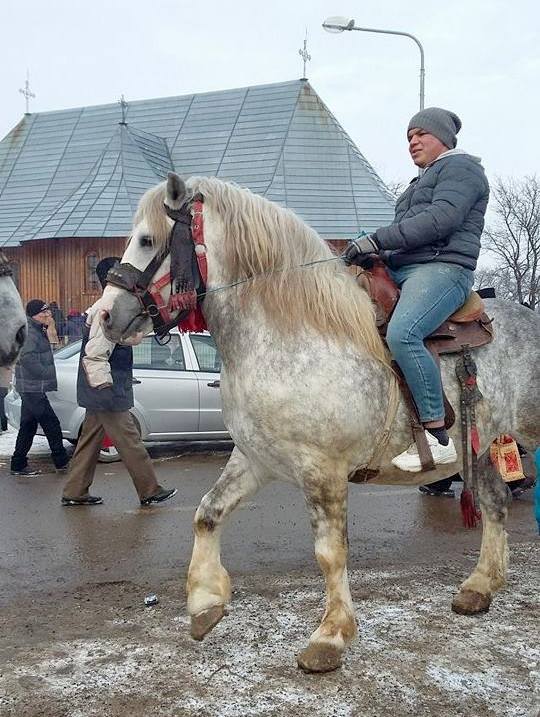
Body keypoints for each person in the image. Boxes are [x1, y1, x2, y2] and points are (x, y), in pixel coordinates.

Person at [342, 107, 490, 472]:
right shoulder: (417, 183)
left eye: (421, 134)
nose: (413, 142)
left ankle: (437, 436)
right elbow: (405, 235)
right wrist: (374, 253)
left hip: (443, 268)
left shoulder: (462, 169)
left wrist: (377, 239)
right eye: (409, 137)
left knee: (404, 333)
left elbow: (441, 220)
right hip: (405, 268)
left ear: (443, 137)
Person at [62, 257, 177, 507]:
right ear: (113, 277)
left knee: (89, 443)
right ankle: (150, 489)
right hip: (107, 391)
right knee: (130, 441)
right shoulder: (107, 307)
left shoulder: (113, 306)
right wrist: (106, 388)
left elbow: (117, 343)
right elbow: (95, 351)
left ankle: (74, 491)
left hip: (101, 390)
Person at [10, 300, 70, 476]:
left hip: (31, 386)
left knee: (28, 426)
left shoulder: (37, 329)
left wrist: (50, 327)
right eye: (43, 312)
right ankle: (61, 462)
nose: (47, 315)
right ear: (33, 315)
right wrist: (44, 373)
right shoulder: (30, 332)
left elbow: (53, 345)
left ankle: (18, 464)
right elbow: (26, 358)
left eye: (48, 312)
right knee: (51, 424)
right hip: (31, 387)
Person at [0, 365, 12, 432]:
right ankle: (4, 426)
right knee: (3, 407)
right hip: (4, 385)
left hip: (3, 385)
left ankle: (3, 427)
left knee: (2, 407)